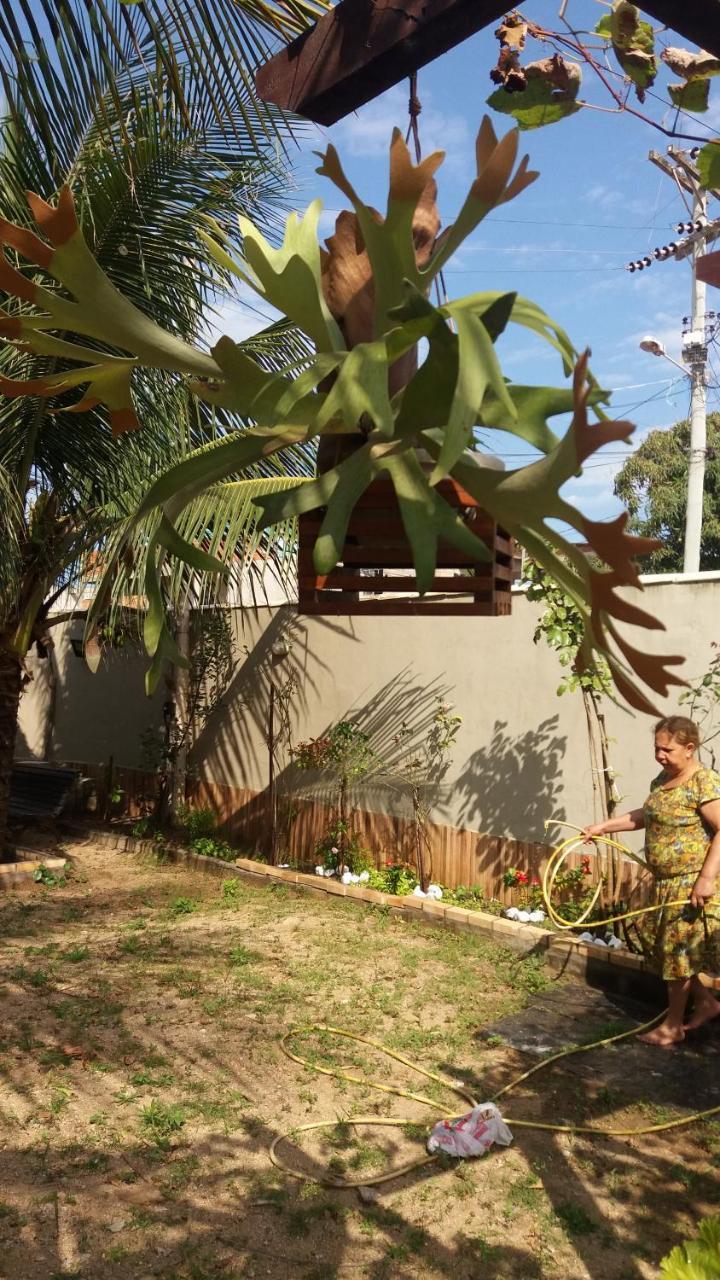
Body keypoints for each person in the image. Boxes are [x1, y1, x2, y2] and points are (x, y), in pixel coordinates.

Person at [582, 715, 720, 1048]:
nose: (659, 755)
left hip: (690, 888)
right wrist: (603, 826)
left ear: (689, 748)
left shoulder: (703, 782)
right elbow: (646, 816)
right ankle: (706, 1003)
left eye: (666, 749)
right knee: (671, 953)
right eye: (656, 748)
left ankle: (672, 1027)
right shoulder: (663, 779)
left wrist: (705, 879)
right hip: (665, 884)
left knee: (676, 954)